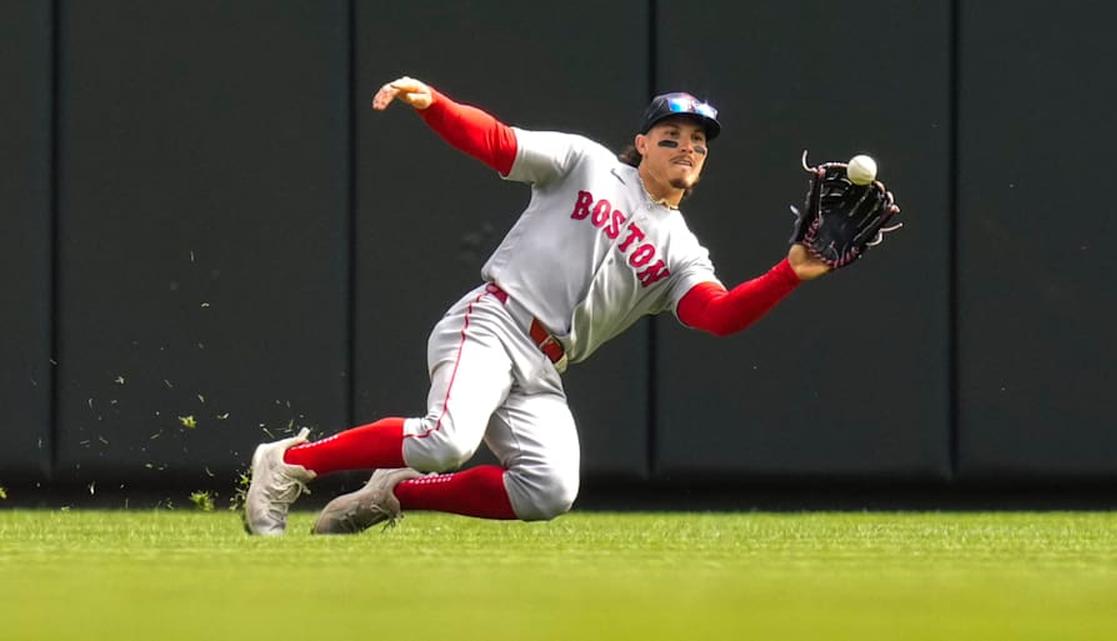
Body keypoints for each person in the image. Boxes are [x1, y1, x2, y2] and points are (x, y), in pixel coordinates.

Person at [243, 76, 830, 536]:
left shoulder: (683, 251)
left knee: (548, 490)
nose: (688, 145)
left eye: (699, 141)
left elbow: (719, 315)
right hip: (494, 322)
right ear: (644, 142)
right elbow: (497, 141)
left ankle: (393, 493)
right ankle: (290, 461)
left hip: (544, 367)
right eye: (672, 134)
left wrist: (790, 273)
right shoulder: (587, 163)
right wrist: (434, 104)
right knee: (446, 440)